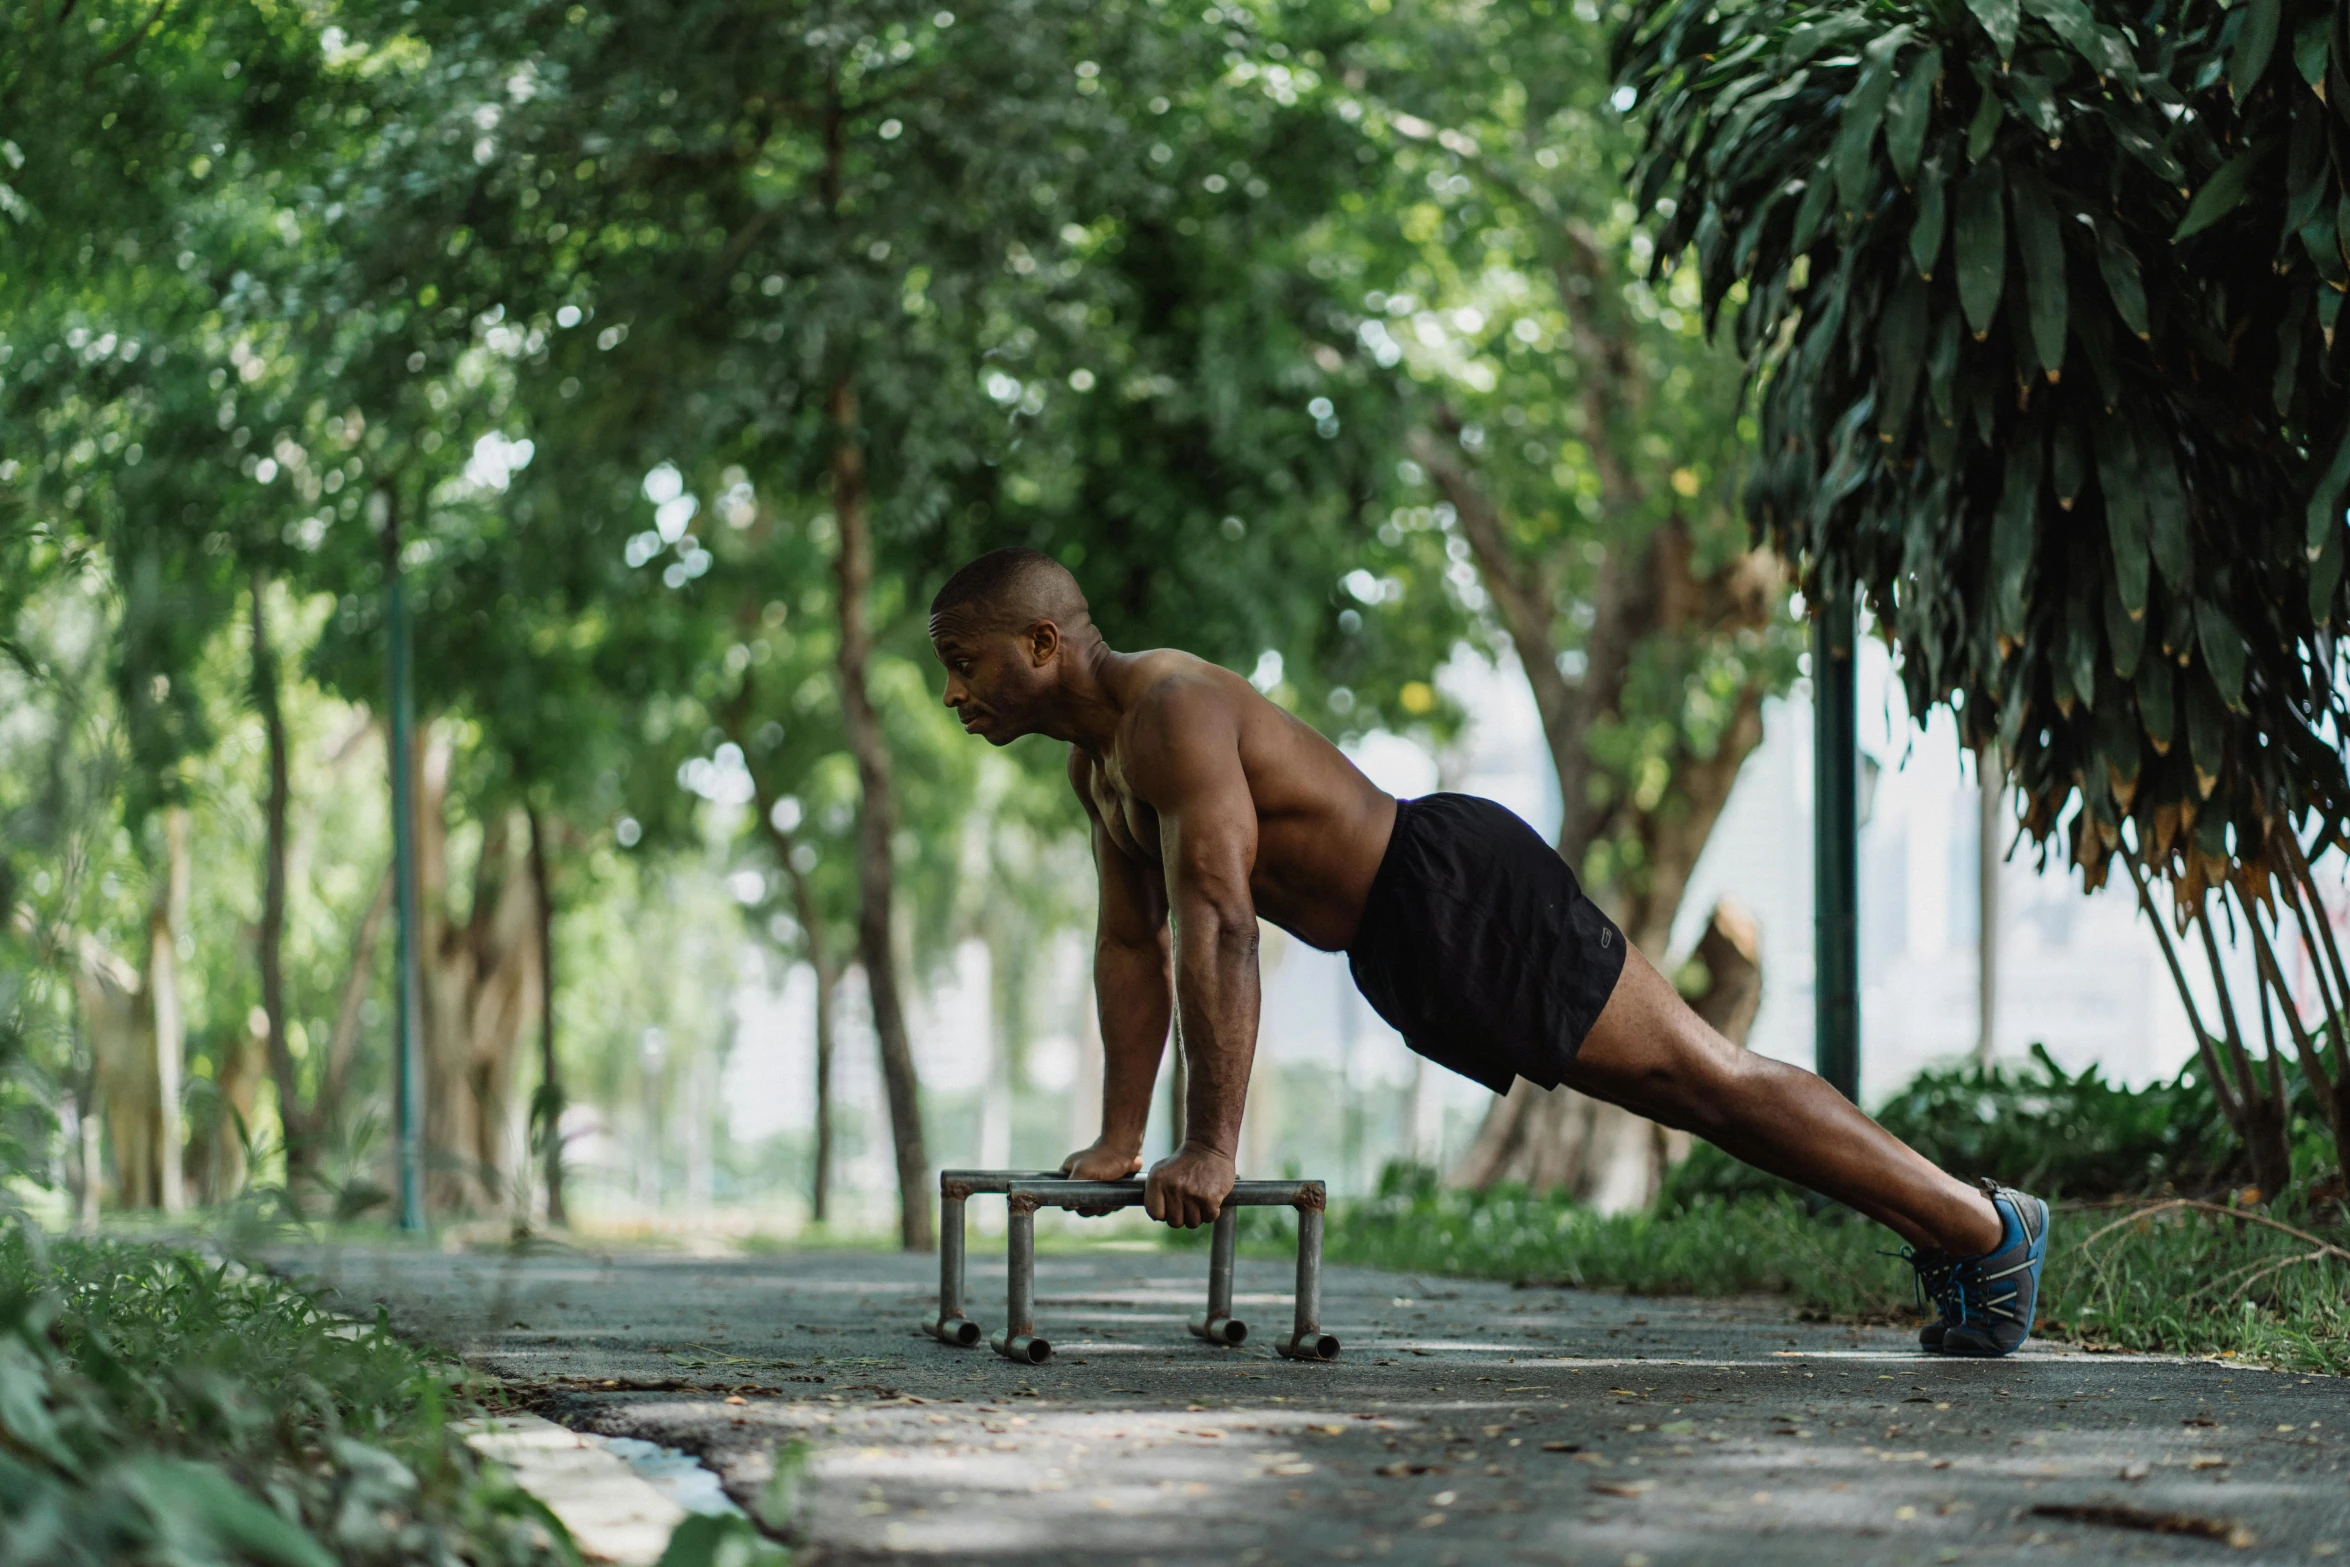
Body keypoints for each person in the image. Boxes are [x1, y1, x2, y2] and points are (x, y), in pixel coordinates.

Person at [928, 547, 2050, 1357]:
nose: (953, 691)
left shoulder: (1170, 709)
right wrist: (1125, 1135)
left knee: (1705, 1078)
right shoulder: (1099, 769)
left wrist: (1211, 1144)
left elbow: (1220, 919)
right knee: (1693, 1097)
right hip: (1400, 945)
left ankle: (1984, 1225)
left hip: (1452, 886)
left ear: (1039, 642)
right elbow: (1133, 942)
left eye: (963, 661)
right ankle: (1960, 1240)